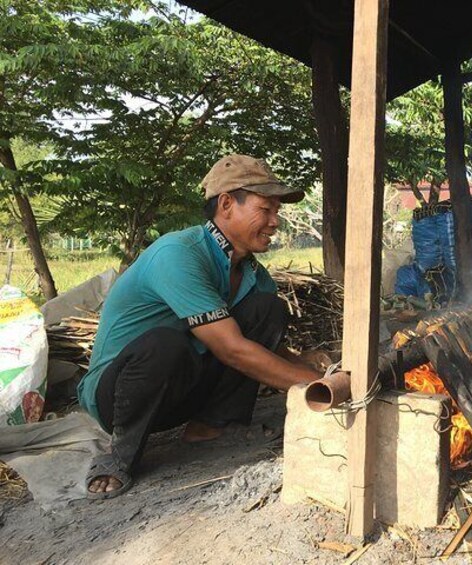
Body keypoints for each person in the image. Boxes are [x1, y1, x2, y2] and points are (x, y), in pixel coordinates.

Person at [78, 154, 322, 499]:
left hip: (181, 385)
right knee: (165, 344)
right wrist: (316, 387)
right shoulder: (178, 254)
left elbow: (260, 346)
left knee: (268, 309)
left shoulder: (253, 273)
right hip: (120, 395)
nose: (275, 222)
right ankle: (119, 455)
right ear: (226, 204)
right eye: (265, 210)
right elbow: (231, 349)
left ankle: (212, 425)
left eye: (276, 212)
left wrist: (310, 365)